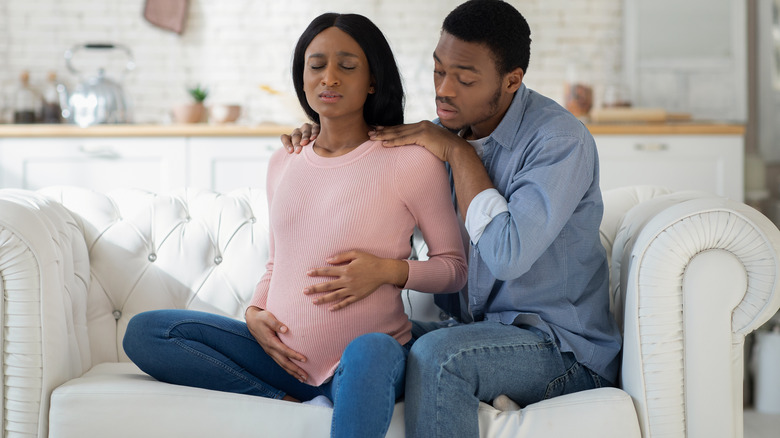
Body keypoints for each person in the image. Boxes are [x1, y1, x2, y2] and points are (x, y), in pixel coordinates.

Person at [281, 1, 622, 437]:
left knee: (441, 355)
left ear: (512, 80)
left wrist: (458, 154)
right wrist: (323, 134)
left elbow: (506, 255)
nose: (444, 89)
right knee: (369, 343)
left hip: (560, 349)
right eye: (438, 71)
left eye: (464, 78)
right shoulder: (445, 134)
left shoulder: (558, 141)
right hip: (472, 331)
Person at [122, 12, 467, 438]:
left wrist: (387, 271)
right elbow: (277, 263)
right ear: (302, 78)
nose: (330, 78)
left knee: (372, 350)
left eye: (347, 65)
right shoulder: (285, 159)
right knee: (147, 332)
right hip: (280, 361)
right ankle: (277, 398)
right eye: (316, 65)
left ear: (373, 80)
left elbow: (454, 268)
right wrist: (253, 313)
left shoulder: (411, 160)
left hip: (364, 360)